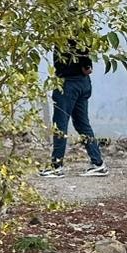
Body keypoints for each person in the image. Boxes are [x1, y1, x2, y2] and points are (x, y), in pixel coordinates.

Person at [41, 43, 107, 177]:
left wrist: (84, 66)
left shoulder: (65, 31)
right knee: (82, 124)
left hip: (68, 83)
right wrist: (87, 65)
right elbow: (86, 56)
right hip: (83, 82)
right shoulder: (81, 30)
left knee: (60, 124)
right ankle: (98, 164)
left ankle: (56, 166)